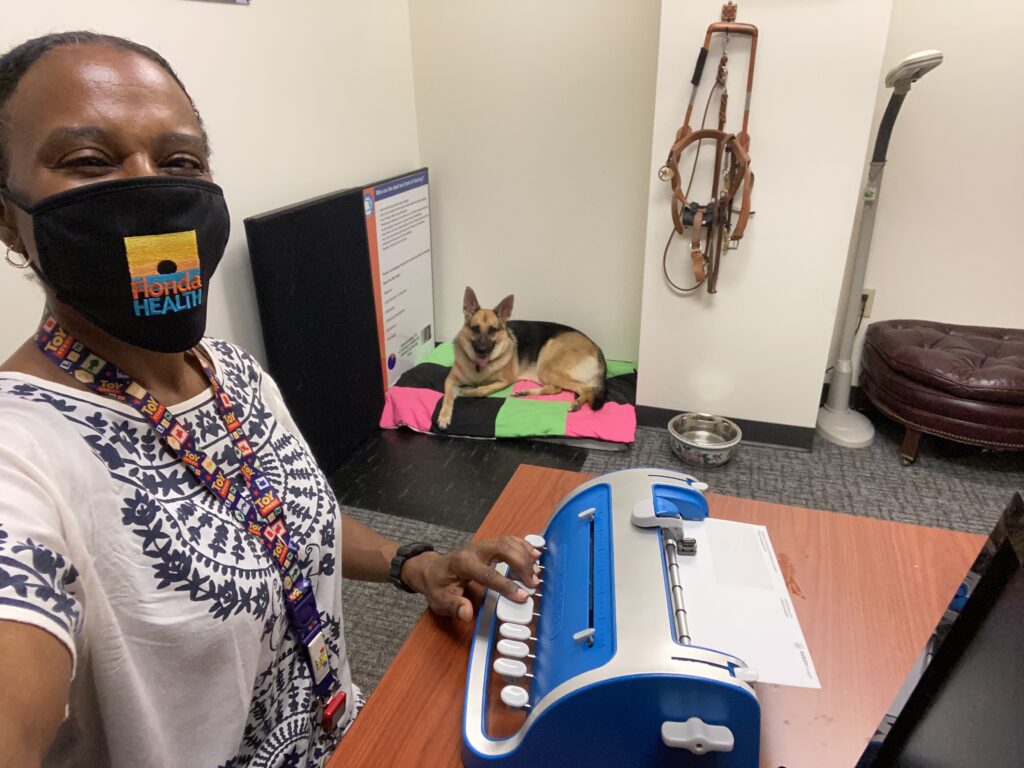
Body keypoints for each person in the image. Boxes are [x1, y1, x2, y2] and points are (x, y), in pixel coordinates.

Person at [0, 32, 539, 768]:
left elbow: (287, 519)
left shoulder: (232, 373)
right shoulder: (19, 455)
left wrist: (415, 560)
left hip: (344, 734)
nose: (148, 187)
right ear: (8, 217)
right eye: (89, 161)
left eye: (180, 161)